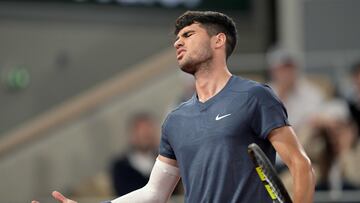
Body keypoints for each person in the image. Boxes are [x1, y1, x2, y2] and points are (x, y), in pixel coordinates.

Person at [32, 11, 315, 203]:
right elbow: (154, 193)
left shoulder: (254, 96)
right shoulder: (175, 121)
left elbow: (300, 165)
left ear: (219, 40)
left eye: (189, 35)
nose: (178, 42)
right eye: (177, 39)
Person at [110, 112, 159, 196]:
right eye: (142, 132)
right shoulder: (120, 166)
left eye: (148, 131)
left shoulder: (164, 159)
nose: (146, 134)